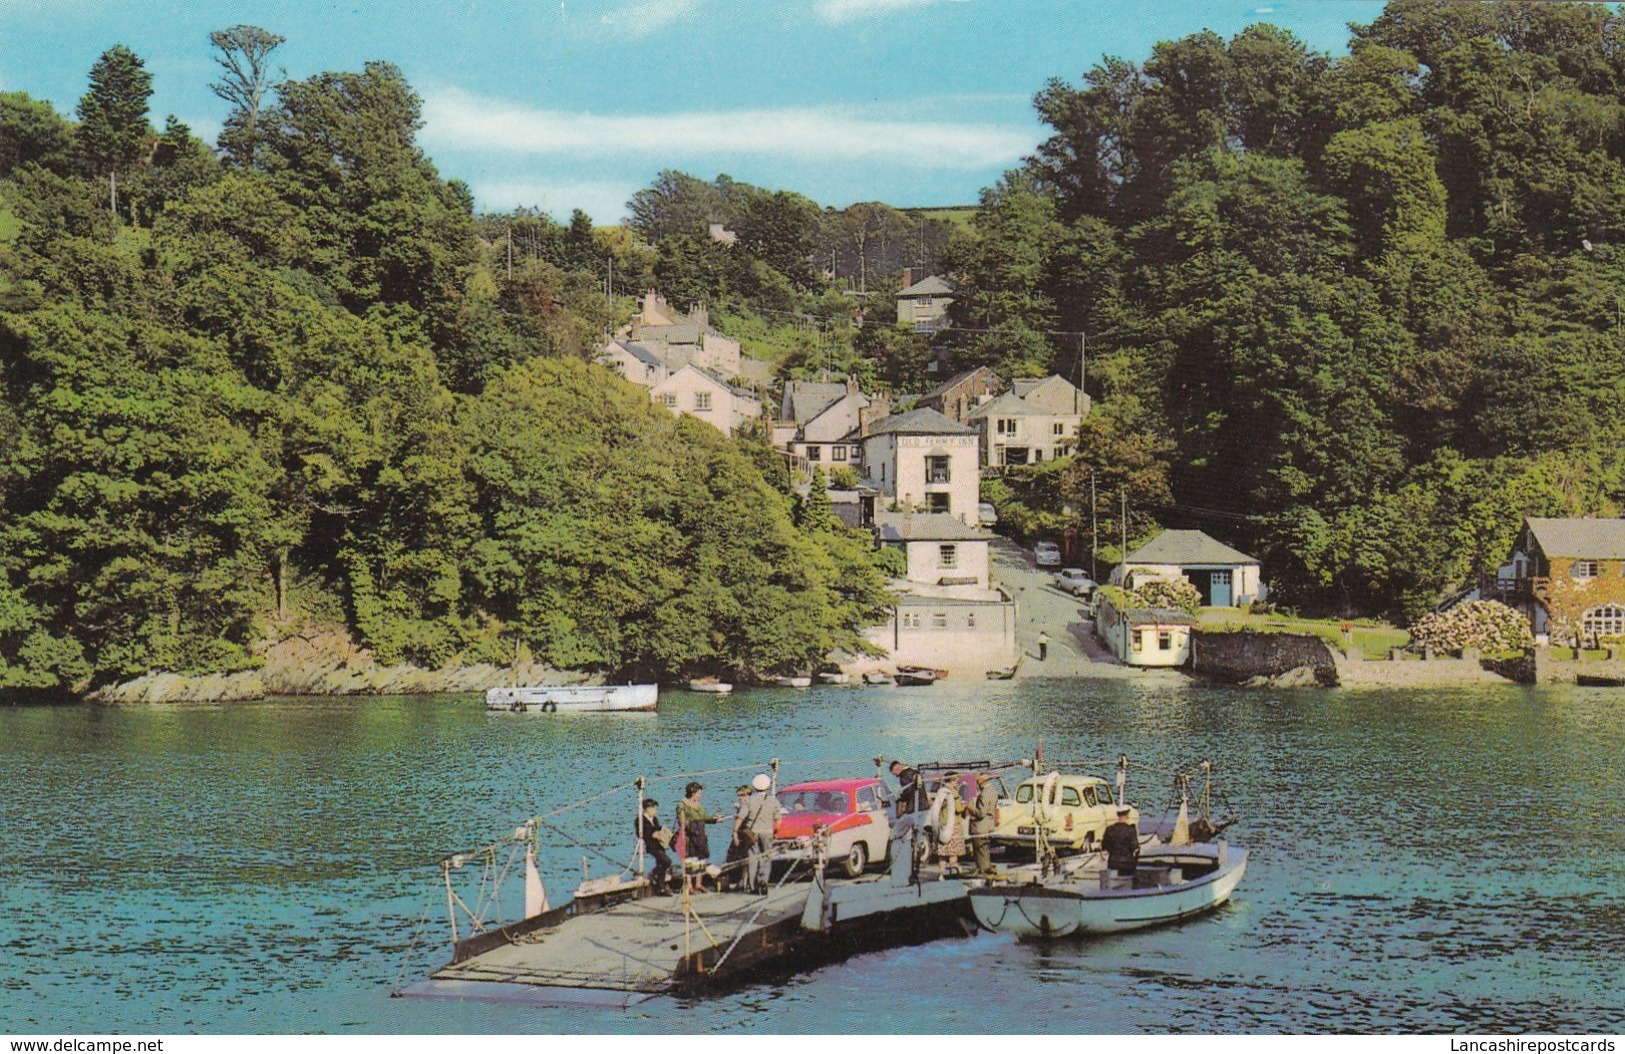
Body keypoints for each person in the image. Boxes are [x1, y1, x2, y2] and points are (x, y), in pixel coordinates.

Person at [739, 773, 783, 893]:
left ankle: (753, 886)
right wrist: (775, 833)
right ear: (768, 787)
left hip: (752, 833)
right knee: (766, 857)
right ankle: (763, 880)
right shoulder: (773, 802)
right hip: (767, 831)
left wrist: (735, 830)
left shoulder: (749, 801)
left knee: (753, 857)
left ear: (754, 787)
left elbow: (741, 817)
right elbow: (778, 821)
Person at [676, 781, 721, 891]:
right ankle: (689, 885)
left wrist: (714, 819)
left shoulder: (698, 805)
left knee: (701, 860)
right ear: (693, 792)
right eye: (698, 793)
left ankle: (698, 884)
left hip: (701, 836)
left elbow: (705, 817)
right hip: (690, 837)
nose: (700, 795)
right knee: (690, 861)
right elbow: (682, 823)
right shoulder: (683, 805)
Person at [636, 798, 674, 894]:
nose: (656, 811)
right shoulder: (640, 820)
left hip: (660, 844)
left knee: (661, 864)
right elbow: (640, 833)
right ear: (648, 809)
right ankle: (655, 873)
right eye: (654, 809)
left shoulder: (655, 819)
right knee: (666, 861)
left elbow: (658, 829)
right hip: (651, 846)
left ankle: (661, 888)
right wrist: (652, 835)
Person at [934, 772, 968, 874]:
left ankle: (941, 874)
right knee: (953, 852)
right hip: (953, 825)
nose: (957, 782)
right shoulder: (953, 792)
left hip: (942, 824)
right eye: (956, 780)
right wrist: (965, 804)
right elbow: (958, 809)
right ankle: (954, 873)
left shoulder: (940, 791)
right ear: (952, 780)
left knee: (943, 853)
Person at [968, 771, 999, 876]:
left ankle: (982, 871)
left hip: (980, 826)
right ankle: (986, 869)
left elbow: (981, 813)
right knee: (985, 850)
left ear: (983, 780)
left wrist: (970, 808)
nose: (977, 782)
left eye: (978, 780)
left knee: (980, 850)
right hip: (988, 825)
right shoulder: (993, 791)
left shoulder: (985, 793)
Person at [722, 785, 752, 890]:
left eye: (741, 795)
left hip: (743, 834)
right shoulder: (745, 805)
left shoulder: (745, 805)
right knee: (740, 857)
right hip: (744, 833)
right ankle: (742, 880)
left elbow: (741, 820)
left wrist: (734, 834)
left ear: (747, 794)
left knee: (740, 857)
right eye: (738, 795)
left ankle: (742, 880)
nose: (739, 798)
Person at [1102, 807, 1140, 885]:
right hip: (1127, 862)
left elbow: (1104, 845)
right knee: (1126, 883)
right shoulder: (1130, 830)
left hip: (1113, 861)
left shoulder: (1109, 829)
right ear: (1126, 817)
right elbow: (1134, 847)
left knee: (1112, 883)